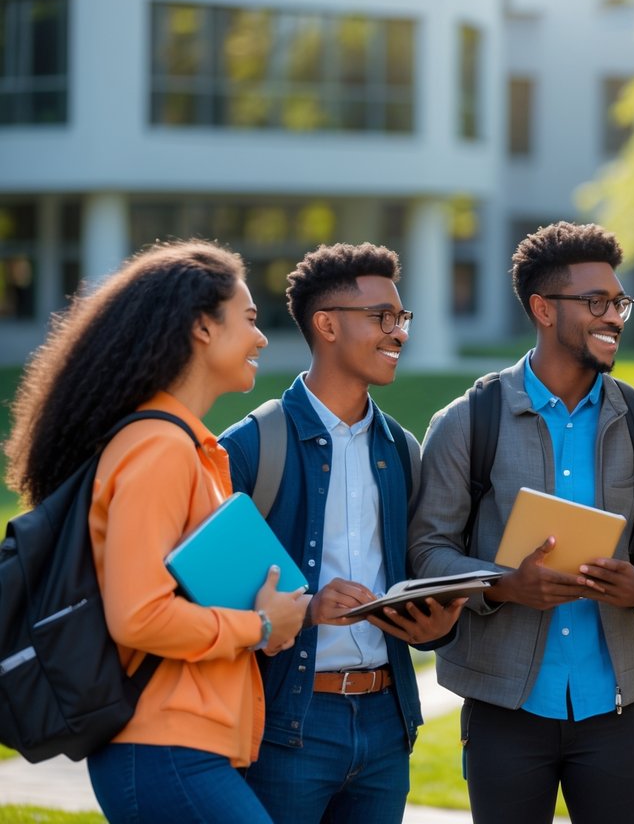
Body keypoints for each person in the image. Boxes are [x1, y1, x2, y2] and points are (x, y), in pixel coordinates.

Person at [3, 241, 308, 822]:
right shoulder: (160, 449)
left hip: (187, 746)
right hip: (162, 747)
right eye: (248, 319)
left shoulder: (186, 448)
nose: (262, 336)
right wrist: (261, 622)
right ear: (200, 327)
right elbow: (138, 616)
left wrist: (266, 623)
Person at [408, 221, 634, 824]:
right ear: (543, 309)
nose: (614, 316)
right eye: (596, 303)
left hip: (615, 707)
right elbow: (428, 550)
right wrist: (503, 585)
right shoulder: (466, 421)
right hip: (504, 706)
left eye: (619, 303)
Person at [220, 243, 464, 824]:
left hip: (386, 722)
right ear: (326, 325)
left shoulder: (404, 451)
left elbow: (410, 576)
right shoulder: (250, 448)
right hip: (288, 726)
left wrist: (433, 628)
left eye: (401, 319)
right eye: (383, 317)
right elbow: (211, 601)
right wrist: (307, 610)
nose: (399, 333)